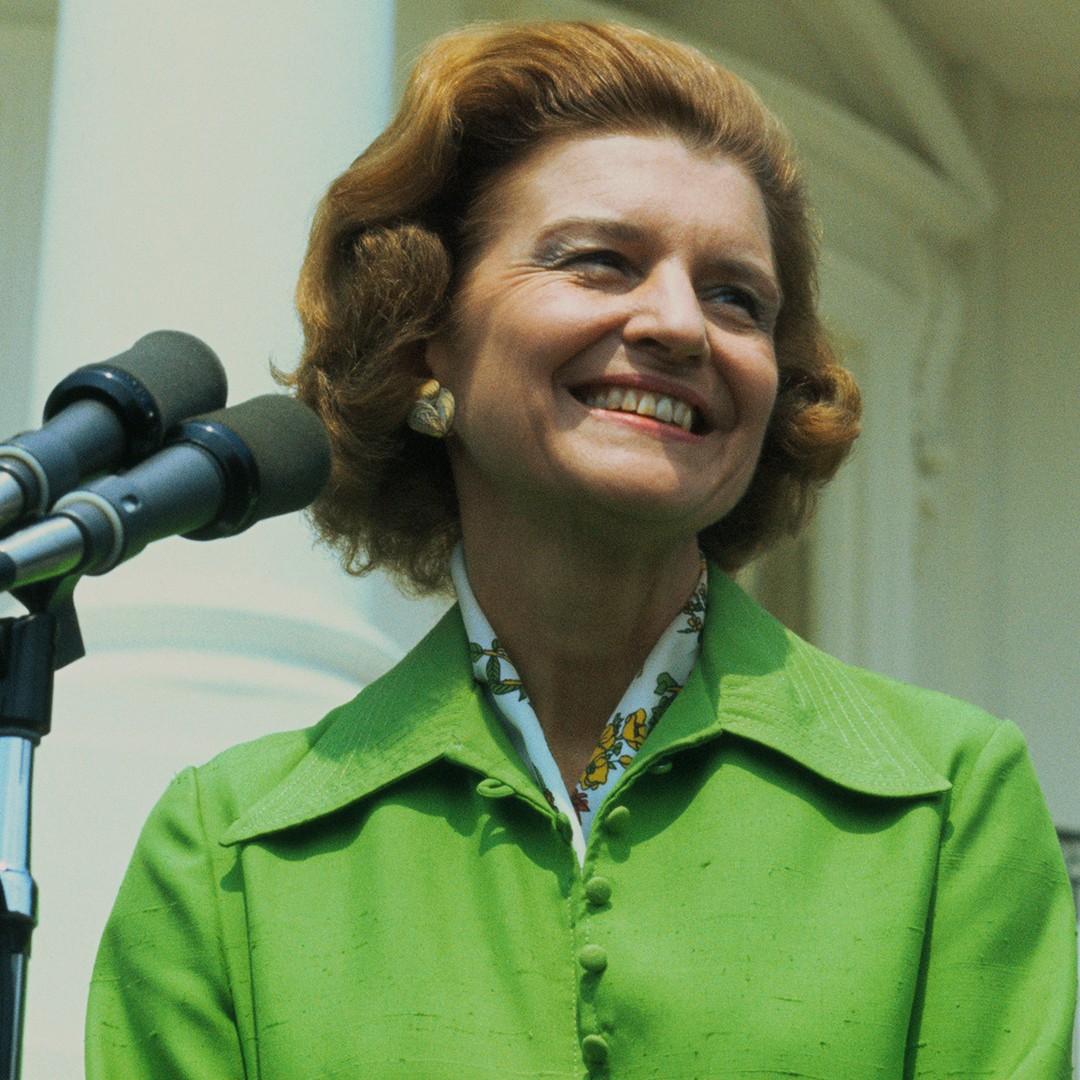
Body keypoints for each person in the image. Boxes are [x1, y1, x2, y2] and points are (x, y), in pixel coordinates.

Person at [85, 20, 1076, 1080]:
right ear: (428, 336)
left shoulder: (948, 802)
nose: (680, 325)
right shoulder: (227, 851)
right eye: (600, 262)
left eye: (736, 297)